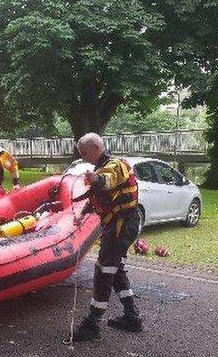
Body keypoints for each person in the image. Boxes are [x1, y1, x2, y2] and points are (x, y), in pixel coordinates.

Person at [72, 132, 142, 341]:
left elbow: (106, 182)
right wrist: (83, 212)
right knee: (115, 269)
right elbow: (97, 194)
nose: (83, 157)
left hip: (123, 223)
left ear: (95, 148)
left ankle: (92, 325)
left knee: (104, 270)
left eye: (84, 153)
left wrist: (96, 179)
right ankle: (132, 317)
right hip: (115, 224)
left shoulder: (115, 165)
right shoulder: (100, 167)